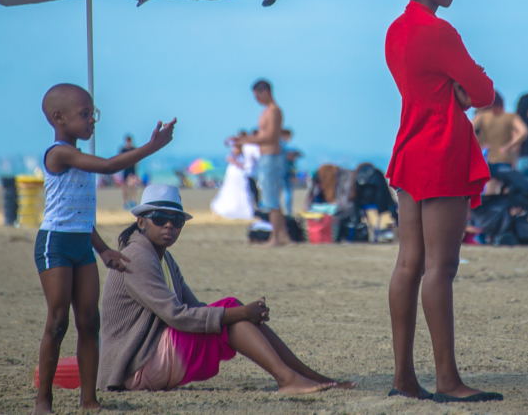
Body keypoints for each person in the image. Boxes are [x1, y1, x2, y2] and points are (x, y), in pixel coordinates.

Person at [383, 0, 502, 403]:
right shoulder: (440, 32)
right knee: (441, 266)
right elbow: (485, 93)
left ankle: (403, 379)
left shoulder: (397, 30)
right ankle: (448, 381)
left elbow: (453, 86)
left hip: (410, 147)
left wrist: (461, 85)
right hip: (441, 148)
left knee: (409, 264)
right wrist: (465, 85)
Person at [98, 184, 353, 394]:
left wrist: (239, 313)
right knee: (232, 310)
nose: (169, 225)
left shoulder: (163, 257)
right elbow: (177, 315)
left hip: (153, 353)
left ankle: (304, 376)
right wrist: (240, 313)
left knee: (231, 310)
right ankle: (289, 379)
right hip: (135, 367)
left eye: (176, 220)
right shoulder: (137, 256)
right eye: (160, 218)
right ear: (141, 222)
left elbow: (195, 308)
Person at [33, 83, 176, 415]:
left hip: (82, 244)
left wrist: (103, 250)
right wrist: (150, 147)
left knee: (89, 321)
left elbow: (80, 214)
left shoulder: (78, 156)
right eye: (85, 114)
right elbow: (111, 167)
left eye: (92, 113)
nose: (91, 120)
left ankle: (89, 400)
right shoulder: (59, 153)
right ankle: (43, 401)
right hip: (55, 244)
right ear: (58, 117)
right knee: (57, 322)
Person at [239, 80, 290, 247]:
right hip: (266, 157)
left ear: (265, 92)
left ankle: (275, 238)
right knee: (271, 198)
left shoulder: (274, 111)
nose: (256, 99)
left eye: (257, 96)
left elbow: (270, 137)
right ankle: (282, 236)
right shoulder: (267, 111)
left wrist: (245, 139)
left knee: (271, 199)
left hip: (272, 157)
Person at [472, 92, 528, 195]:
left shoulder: (482, 117)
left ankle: (489, 211)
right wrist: (509, 146)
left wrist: (481, 143)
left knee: (490, 192)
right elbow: (524, 132)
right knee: (508, 192)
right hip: (506, 159)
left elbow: (468, 130)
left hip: (488, 159)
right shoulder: (510, 117)